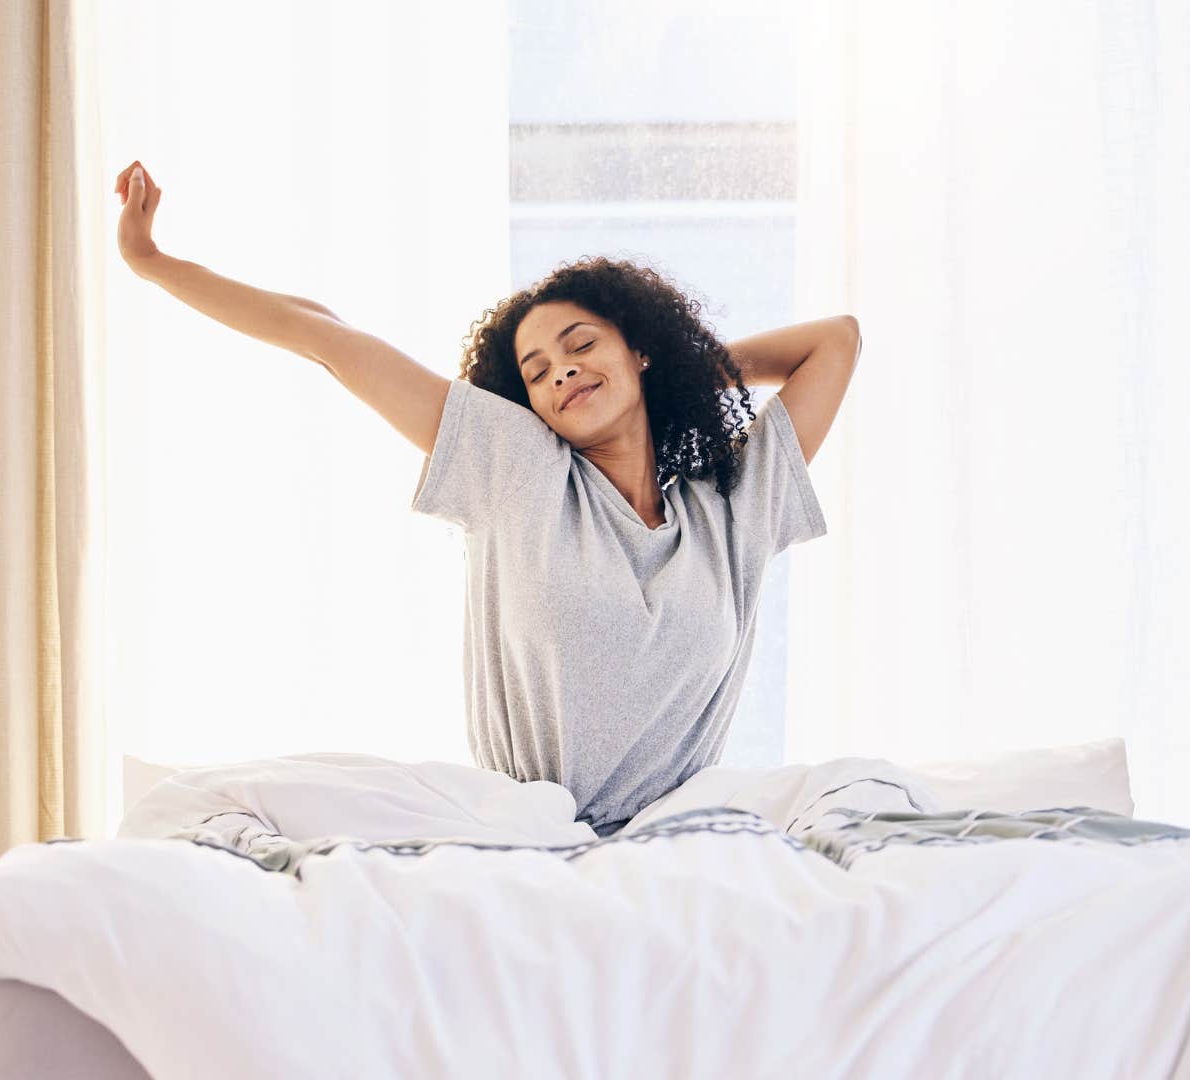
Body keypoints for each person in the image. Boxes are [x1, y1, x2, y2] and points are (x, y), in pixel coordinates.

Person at [114, 159, 861, 836]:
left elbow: (837, 339)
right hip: (525, 836)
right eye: (537, 372)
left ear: (638, 347)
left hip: (672, 844)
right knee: (215, 806)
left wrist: (678, 373)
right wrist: (153, 262)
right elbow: (329, 339)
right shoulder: (520, 468)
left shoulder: (731, 509)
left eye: (581, 345)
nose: (561, 372)